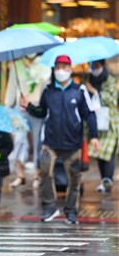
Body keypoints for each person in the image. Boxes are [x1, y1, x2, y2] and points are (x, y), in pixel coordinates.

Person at [20, 54, 99, 224]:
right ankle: (49, 208)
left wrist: (94, 136)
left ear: (70, 70)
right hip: (50, 143)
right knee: (44, 173)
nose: (61, 71)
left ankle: (71, 211)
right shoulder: (48, 91)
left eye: (64, 67)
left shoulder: (79, 91)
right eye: (58, 67)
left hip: (73, 144)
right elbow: (42, 112)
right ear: (54, 70)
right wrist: (29, 106)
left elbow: (89, 114)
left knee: (74, 179)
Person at [5, 54, 51, 189]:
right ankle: (20, 175)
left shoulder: (44, 64)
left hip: (37, 108)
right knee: (18, 140)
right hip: (20, 108)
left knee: (38, 142)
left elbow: (46, 87)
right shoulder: (17, 64)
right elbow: (12, 87)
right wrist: (8, 107)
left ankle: (37, 175)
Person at [84, 59, 118, 192]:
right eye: (92, 65)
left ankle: (107, 180)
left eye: (97, 65)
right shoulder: (86, 78)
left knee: (108, 151)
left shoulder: (109, 78)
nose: (94, 68)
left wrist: (93, 90)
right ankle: (104, 179)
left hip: (109, 120)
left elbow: (112, 98)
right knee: (98, 151)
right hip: (93, 120)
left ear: (102, 65)